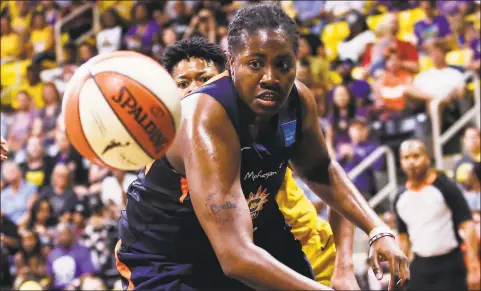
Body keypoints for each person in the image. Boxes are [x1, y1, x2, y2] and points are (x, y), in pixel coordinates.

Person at [115, 4, 408, 290]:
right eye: (255, 63)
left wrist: (377, 229)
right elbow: (235, 258)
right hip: (168, 255)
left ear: (297, 61)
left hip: (247, 235)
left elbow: (322, 172)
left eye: (283, 65)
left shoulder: (298, 101)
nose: (270, 78)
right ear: (231, 63)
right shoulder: (205, 117)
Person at [161, 37, 356, 287]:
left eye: (204, 78)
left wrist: (344, 264)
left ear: (226, 81)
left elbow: (332, 183)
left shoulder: (260, 133)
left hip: (308, 258)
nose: (195, 89)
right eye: (183, 83)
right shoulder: (175, 157)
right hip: (259, 270)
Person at [394, 139, 480, 291]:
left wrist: (474, 267)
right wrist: (400, 268)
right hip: (420, 267)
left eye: (416, 156)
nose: (411, 162)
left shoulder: (445, 186)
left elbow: (468, 226)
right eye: (406, 158)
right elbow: (403, 237)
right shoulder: (400, 197)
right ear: (401, 162)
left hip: (451, 265)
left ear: (427, 158)